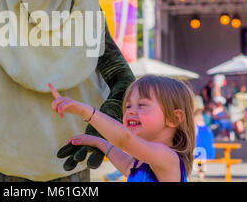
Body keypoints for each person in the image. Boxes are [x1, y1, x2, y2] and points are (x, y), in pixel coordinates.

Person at [49, 75, 196, 182]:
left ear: (174, 118)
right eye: (128, 106)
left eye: (142, 105)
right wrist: (98, 142)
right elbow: (127, 166)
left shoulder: (167, 157)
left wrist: (86, 111)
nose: (130, 111)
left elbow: (124, 140)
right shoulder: (145, 161)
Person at [194, 108, 215, 180]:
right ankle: (201, 174)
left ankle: (200, 174)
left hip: (201, 153)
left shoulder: (196, 128)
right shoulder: (208, 128)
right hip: (210, 153)